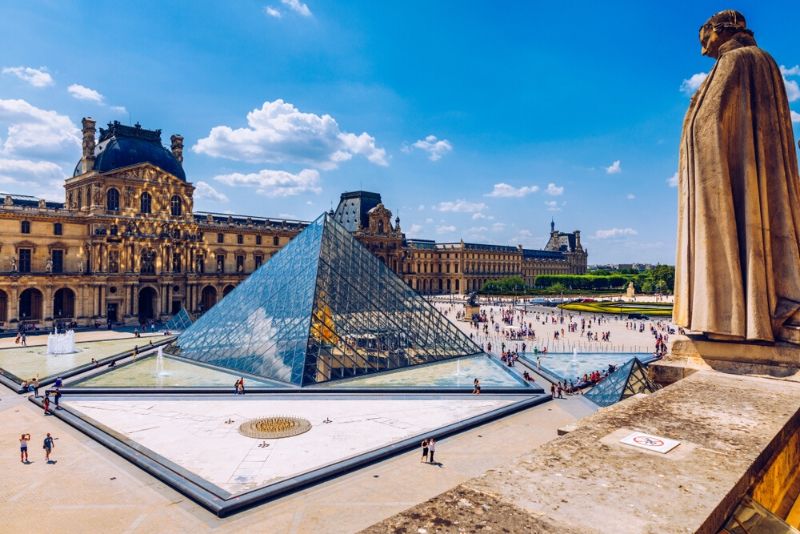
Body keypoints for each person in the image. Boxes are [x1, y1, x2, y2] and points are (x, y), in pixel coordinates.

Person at [675, 10, 800, 343]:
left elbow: (709, 124)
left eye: (705, 37)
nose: (702, 45)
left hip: (724, 178)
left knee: (734, 234)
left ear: (719, 30)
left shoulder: (735, 61)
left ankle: (729, 319)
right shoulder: (761, 62)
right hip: (745, 171)